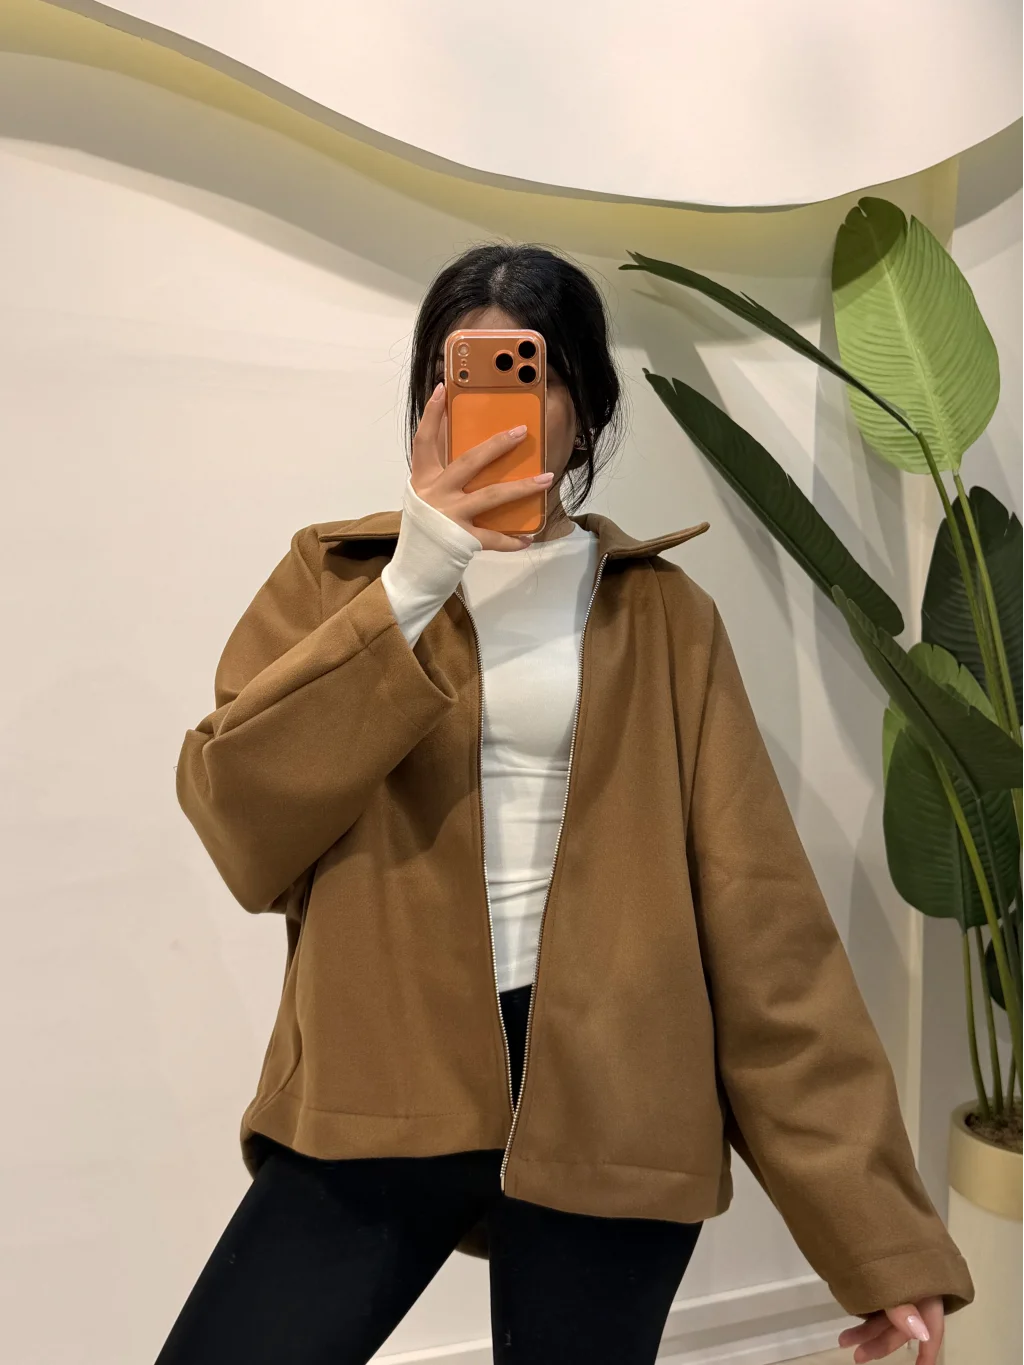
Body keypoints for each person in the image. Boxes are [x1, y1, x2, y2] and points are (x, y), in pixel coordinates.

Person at [159, 243, 974, 1365]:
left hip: (616, 1103)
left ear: (584, 410)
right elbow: (239, 818)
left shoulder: (665, 620)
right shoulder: (338, 582)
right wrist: (415, 579)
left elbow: (765, 930)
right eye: (455, 375)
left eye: (526, 373)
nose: (487, 404)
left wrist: (881, 1241)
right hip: (380, 1083)